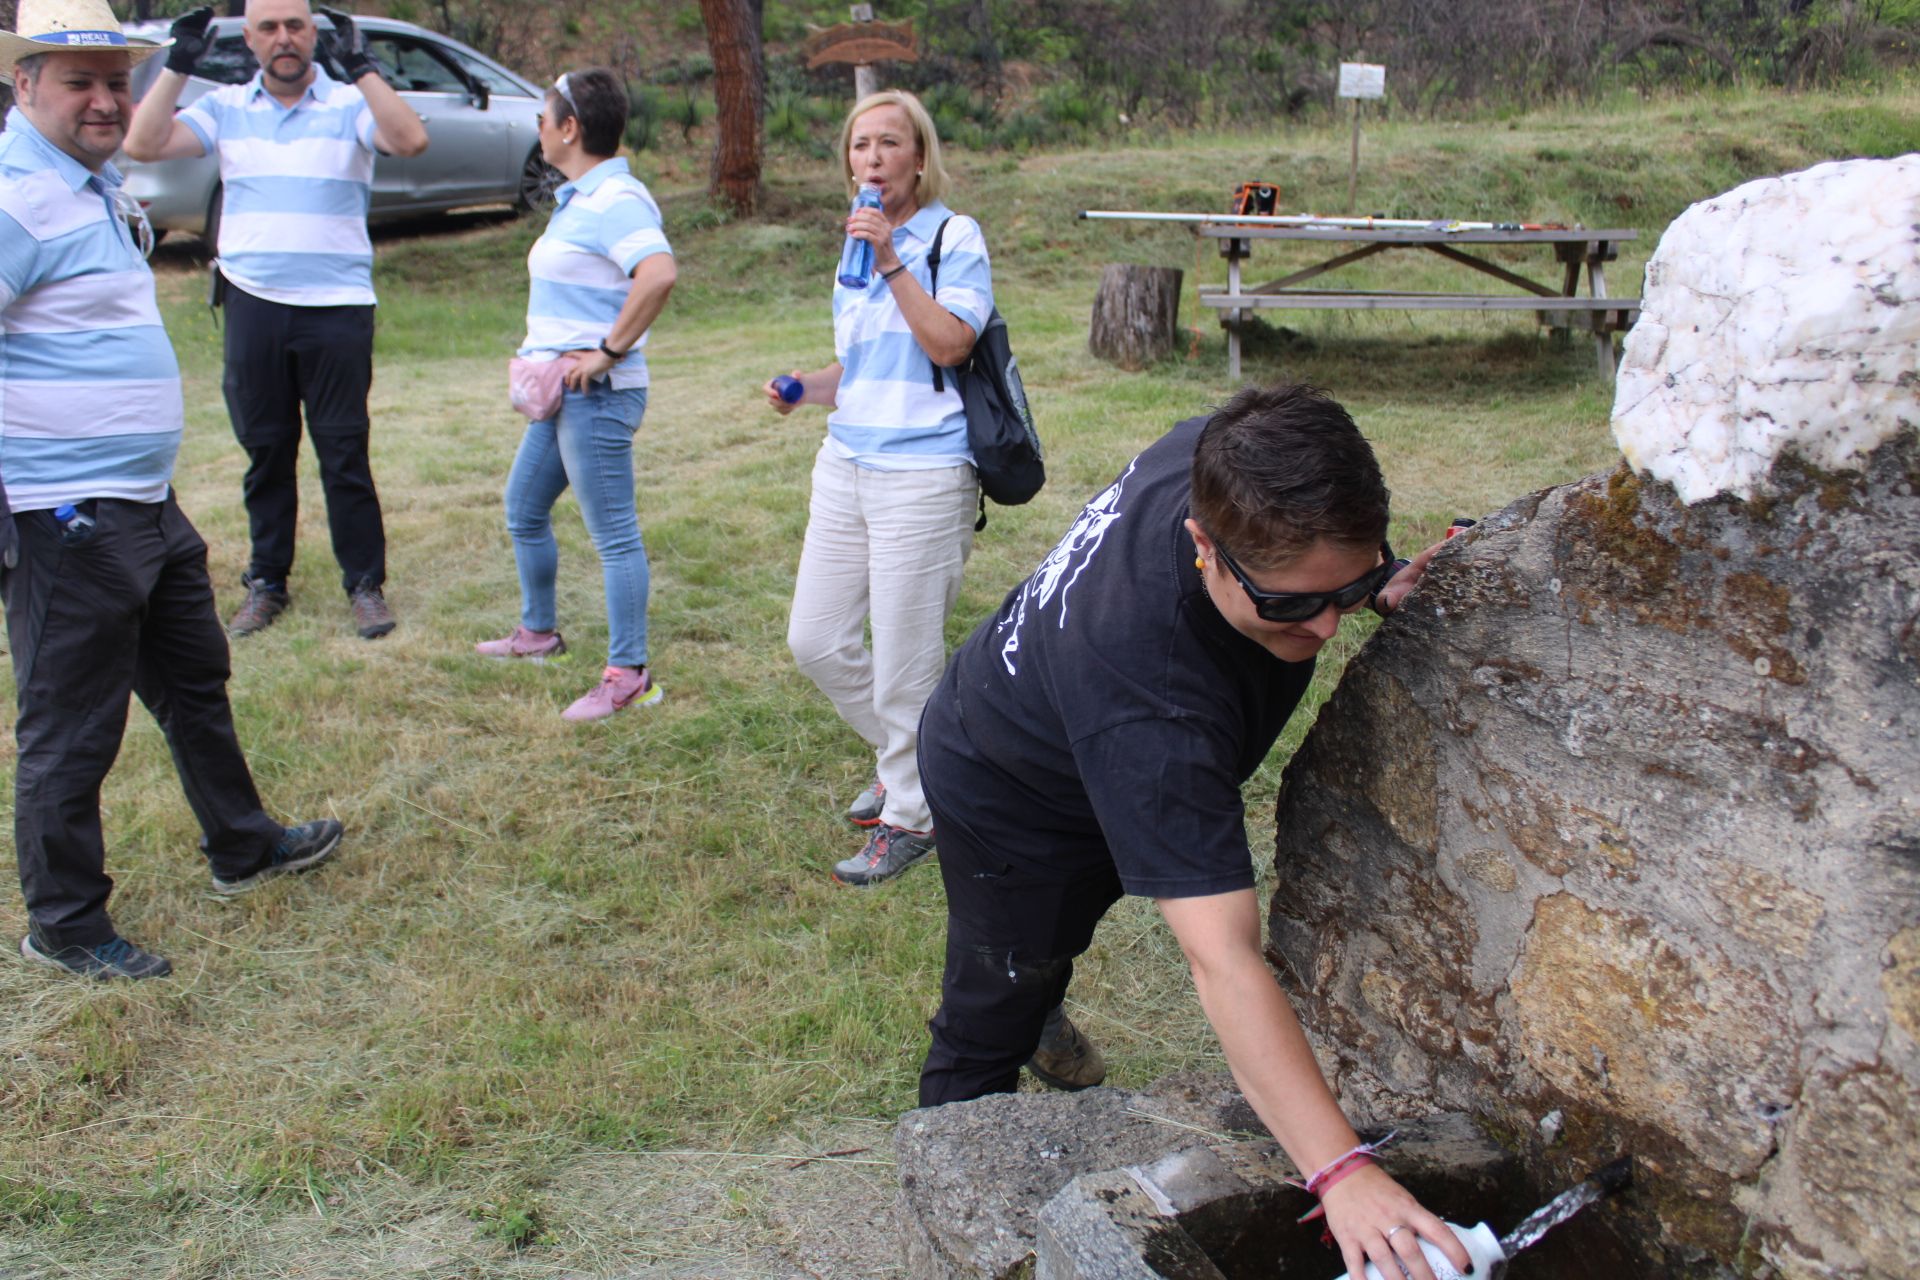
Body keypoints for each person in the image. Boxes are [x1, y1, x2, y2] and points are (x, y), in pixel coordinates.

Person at [914, 384, 1473, 1280]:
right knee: (999, 988)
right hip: (1008, 781)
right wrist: (1341, 1171)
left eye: (1351, 588)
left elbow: (1318, 555)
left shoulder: (1234, 451)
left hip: (1079, 717)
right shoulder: (1152, 710)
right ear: (1203, 544)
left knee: (1047, 947)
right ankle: (950, 1177)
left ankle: (1039, 985)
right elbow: (1224, 962)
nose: (1327, 626)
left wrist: (1382, 579)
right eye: (1292, 607)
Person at [0, 0, 344, 982]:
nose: (106, 100)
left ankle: (241, 842)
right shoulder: (18, 192)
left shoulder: (88, 182)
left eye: (116, 80)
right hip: (63, 514)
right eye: (80, 82)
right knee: (71, 730)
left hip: (139, 502)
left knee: (195, 681)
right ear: (24, 86)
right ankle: (64, 922)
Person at [124, 1, 428, 641]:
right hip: (253, 303)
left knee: (343, 450)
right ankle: (267, 582)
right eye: (269, 28)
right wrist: (179, 63)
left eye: (295, 26)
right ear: (251, 39)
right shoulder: (226, 109)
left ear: (314, 35)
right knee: (265, 451)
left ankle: (365, 585)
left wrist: (364, 65)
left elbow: (409, 139)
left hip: (337, 308)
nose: (283, 39)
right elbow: (143, 142)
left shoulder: (349, 105)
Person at [763, 90, 991, 886]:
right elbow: (864, 368)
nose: (871, 158)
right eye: (860, 146)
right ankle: (913, 765)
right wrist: (805, 386)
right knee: (815, 639)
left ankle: (914, 815)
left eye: (888, 144)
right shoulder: (852, 248)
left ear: (919, 158)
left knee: (904, 661)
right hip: (847, 463)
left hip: (924, 475)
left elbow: (953, 345)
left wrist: (893, 255)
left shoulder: (952, 238)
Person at [475, 69, 676, 722]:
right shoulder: (581, 198)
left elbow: (659, 274)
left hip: (598, 396)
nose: (537, 128)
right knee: (524, 507)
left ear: (570, 128)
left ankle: (630, 674)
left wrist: (608, 351)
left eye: (543, 117)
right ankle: (539, 635)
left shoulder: (616, 197)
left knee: (615, 537)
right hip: (564, 398)